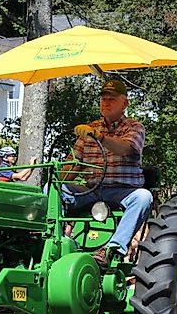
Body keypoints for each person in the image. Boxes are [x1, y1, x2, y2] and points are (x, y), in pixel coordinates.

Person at [61, 79, 153, 267]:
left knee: (143, 197)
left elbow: (126, 148)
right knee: (53, 190)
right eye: (103, 99)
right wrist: (56, 177)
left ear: (125, 103)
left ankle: (112, 249)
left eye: (112, 99)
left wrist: (99, 137)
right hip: (91, 190)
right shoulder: (89, 129)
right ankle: (57, 241)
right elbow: (72, 167)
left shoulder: (134, 127)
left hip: (123, 191)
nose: (106, 103)